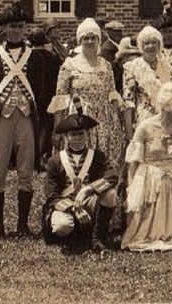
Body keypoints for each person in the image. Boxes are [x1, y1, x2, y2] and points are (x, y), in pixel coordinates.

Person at [0, 3, 49, 237]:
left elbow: (41, 90)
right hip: (2, 118)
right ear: (5, 29)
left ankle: (22, 225)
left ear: (26, 29)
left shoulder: (36, 58)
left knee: (26, 172)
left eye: (20, 27)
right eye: (12, 27)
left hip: (26, 117)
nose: (16, 31)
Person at [122, 82, 172, 253]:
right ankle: (152, 231)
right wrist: (131, 189)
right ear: (170, 107)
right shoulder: (145, 127)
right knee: (158, 186)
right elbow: (134, 161)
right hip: (151, 175)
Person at [50, 18, 127, 177]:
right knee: (80, 163)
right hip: (80, 117)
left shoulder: (106, 65)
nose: (90, 41)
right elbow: (60, 99)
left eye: (93, 37)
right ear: (80, 40)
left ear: (99, 40)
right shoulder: (69, 65)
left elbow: (112, 94)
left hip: (105, 120)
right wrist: (57, 130)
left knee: (105, 161)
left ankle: (103, 196)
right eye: (86, 38)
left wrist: (117, 123)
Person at [41, 100, 119, 253]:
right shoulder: (55, 160)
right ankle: (75, 236)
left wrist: (88, 189)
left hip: (88, 201)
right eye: (73, 135)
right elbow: (52, 196)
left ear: (87, 135)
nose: (77, 138)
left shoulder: (97, 156)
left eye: (80, 134)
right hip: (66, 204)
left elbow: (112, 176)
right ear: (66, 137)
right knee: (63, 226)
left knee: (110, 195)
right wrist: (73, 208)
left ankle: (97, 238)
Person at [122, 25, 172, 138]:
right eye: (146, 43)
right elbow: (128, 102)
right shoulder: (133, 67)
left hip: (166, 120)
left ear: (159, 45)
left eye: (154, 42)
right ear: (140, 46)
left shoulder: (167, 67)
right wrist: (129, 133)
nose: (150, 46)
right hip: (144, 122)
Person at [27, 26, 60, 171]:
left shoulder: (27, 57)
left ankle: (32, 157)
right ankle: (40, 156)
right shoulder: (52, 56)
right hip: (48, 96)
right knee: (45, 128)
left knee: (33, 126)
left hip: (31, 96)